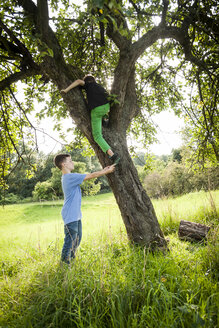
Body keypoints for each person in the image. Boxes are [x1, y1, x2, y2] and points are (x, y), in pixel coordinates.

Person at [54, 153, 115, 265]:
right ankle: (64, 263)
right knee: (70, 240)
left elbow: (90, 175)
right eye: (70, 161)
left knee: (77, 239)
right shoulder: (69, 177)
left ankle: (71, 260)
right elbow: (91, 175)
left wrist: (103, 170)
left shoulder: (69, 177)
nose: (73, 162)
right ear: (64, 164)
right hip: (70, 214)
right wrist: (106, 171)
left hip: (75, 214)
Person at [61, 75, 120, 164]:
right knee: (100, 114)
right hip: (106, 107)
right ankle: (104, 119)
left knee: (97, 136)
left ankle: (112, 154)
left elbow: (77, 81)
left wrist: (66, 90)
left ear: (87, 81)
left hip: (96, 110)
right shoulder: (99, 86)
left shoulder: (88, 85)